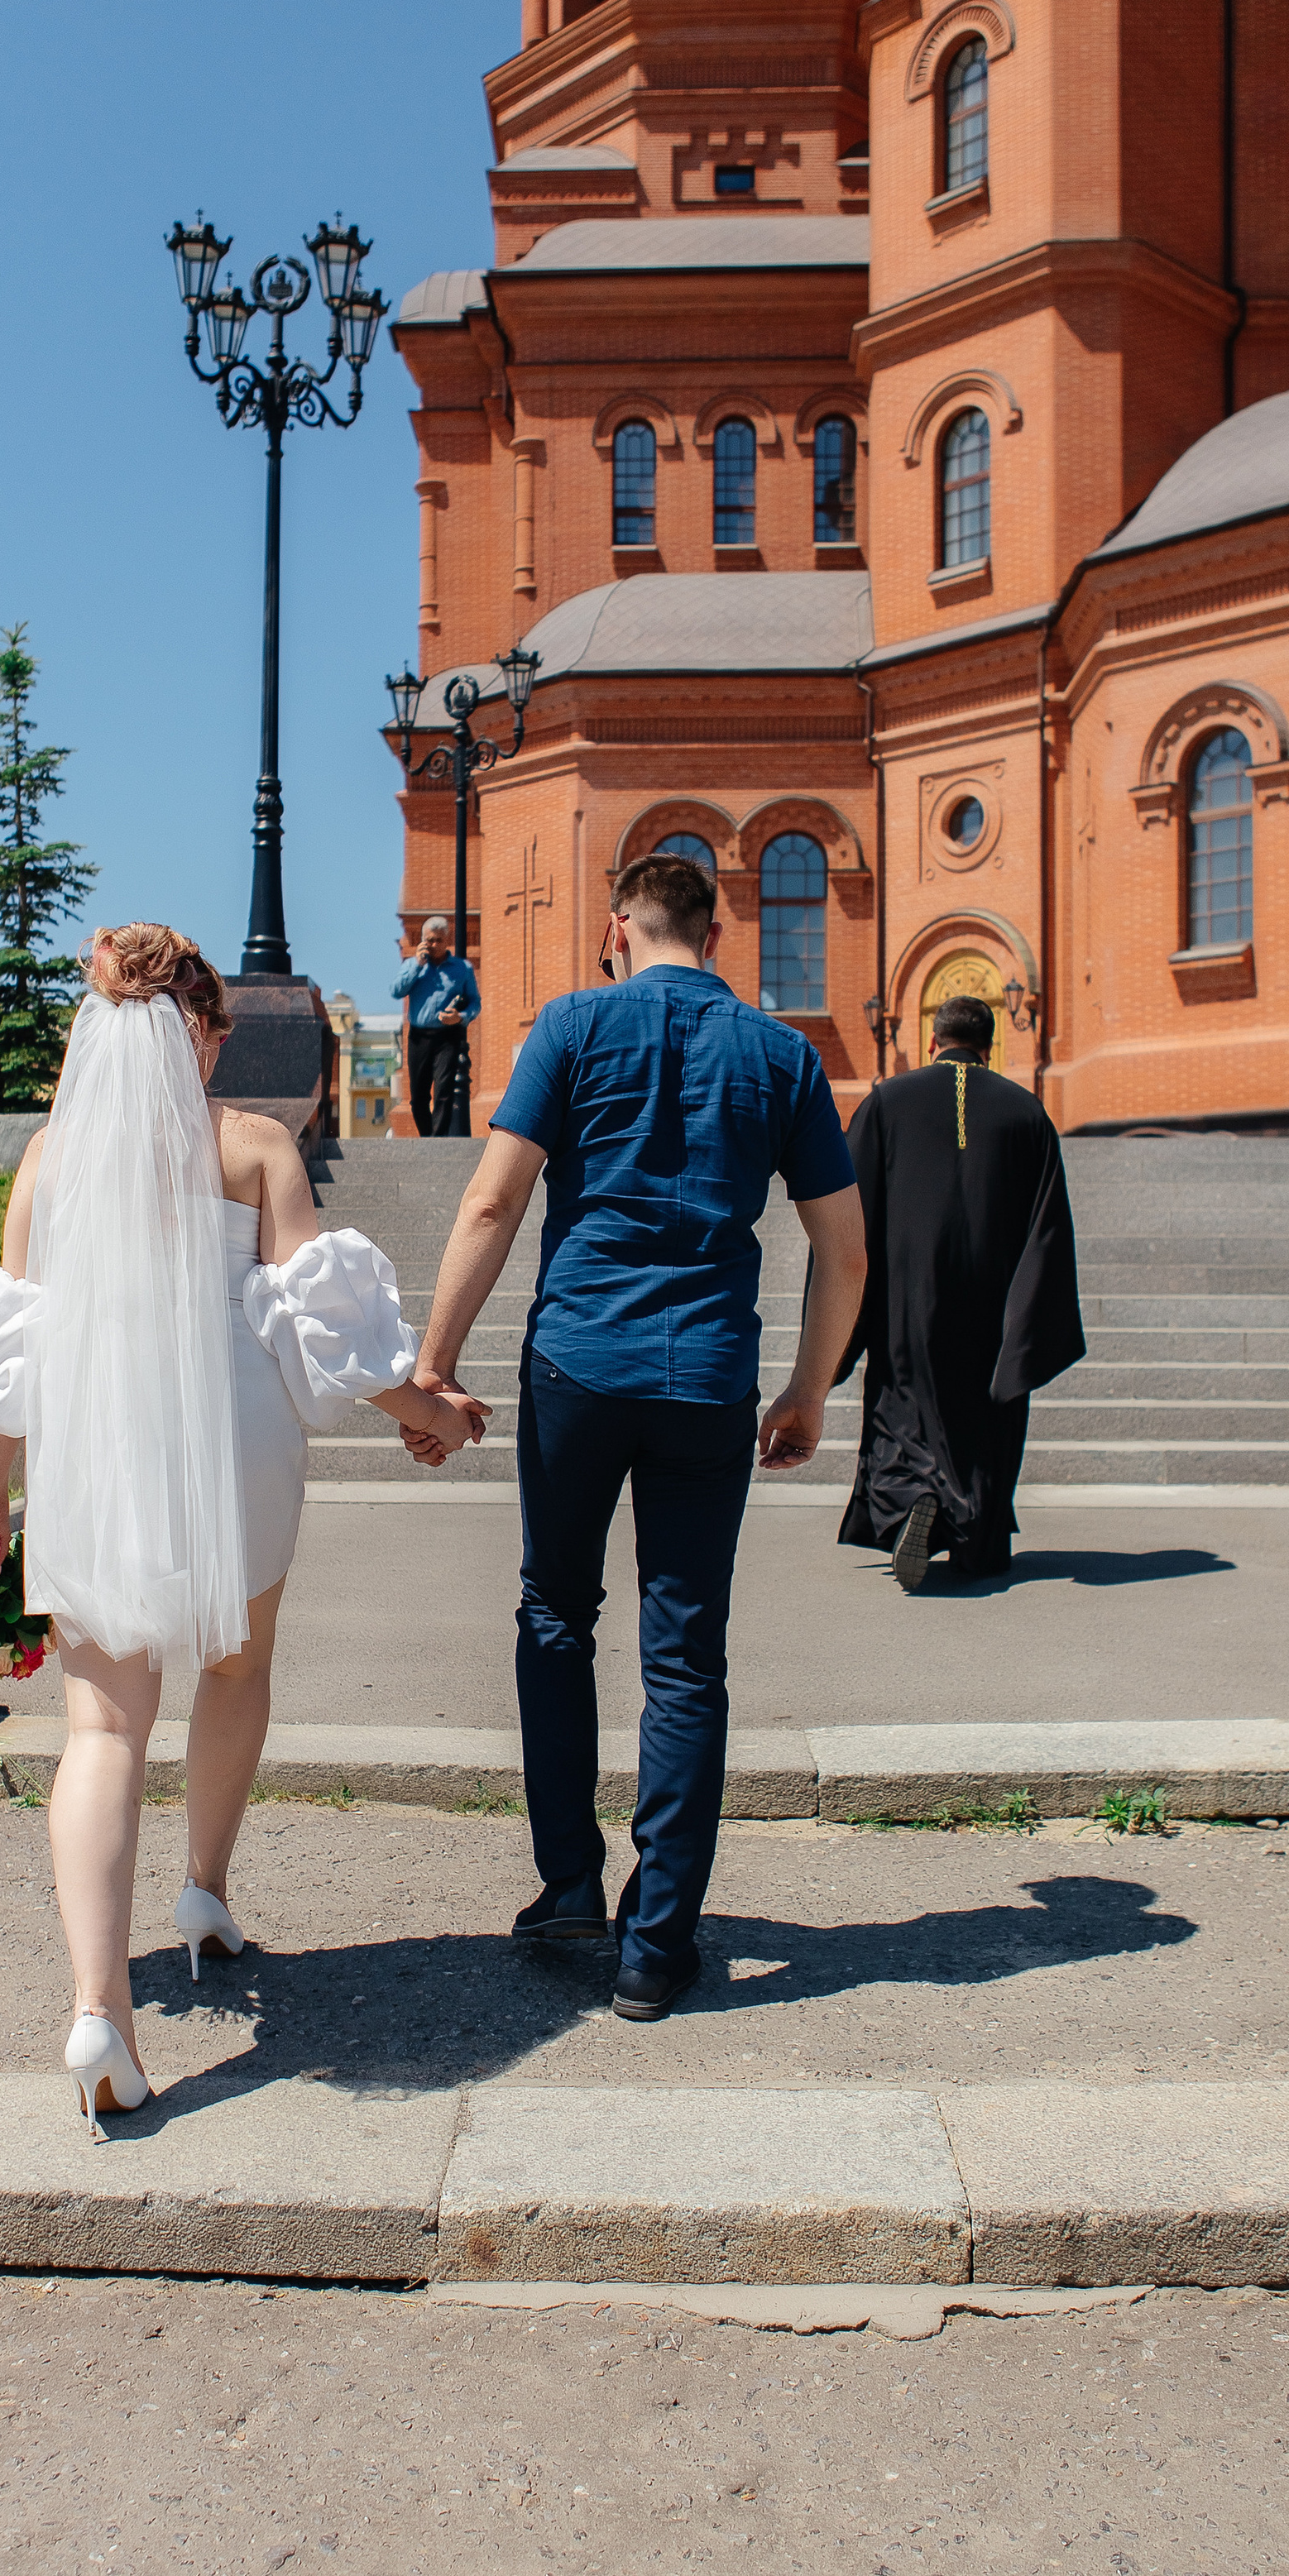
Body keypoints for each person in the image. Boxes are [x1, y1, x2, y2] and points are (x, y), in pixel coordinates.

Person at [0, 922, 480, 2135]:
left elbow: (7, 1365)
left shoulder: (47, 1165)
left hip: (93, 1445)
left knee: (101, 1726)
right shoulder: (251, 1146)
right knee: (237, 1663)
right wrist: (427, 1408)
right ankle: (205, 1892)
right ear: (205, 1034)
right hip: (233, 1438)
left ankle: (97, 2010)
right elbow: (313, 1325)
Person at [404, 850, 866, 2019]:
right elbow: (847, 1249)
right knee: (685, 1653)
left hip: (578, 1361)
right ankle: (657, 1945)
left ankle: (569, 1881)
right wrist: (807, 1392)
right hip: (707, 1377)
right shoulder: (783, 1055)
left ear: (619, 929)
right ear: (716, 936)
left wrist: (433, 1366)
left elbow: (493, 1202)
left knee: (556, 1613)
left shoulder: (570, 1027)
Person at [838, 990, 1085, 1592]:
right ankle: (977, 1541)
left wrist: (844, 1319)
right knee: (987, 1414)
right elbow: (1047, 1226)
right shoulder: (1026, 1112)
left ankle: (914, 1499)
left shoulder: (886, 1103)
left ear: (931, 1041)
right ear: (990, 1046)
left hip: (907, 1299)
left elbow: (852, 1212)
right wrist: (1032, 1317)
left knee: (903, 1406)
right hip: (995, 1301)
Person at [392, 914, 479, 1137]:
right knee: (418, 1097)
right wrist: (417, 966)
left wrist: (460, 1017)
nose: (433, 945)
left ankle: (438, 1139)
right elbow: (396, 991)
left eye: (438, 940)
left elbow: (475, 1002)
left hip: (447, 1036)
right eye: (429, 940)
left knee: (444, 1090)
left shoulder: (462, 969)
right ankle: (427, 1137)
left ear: (447, 940)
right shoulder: (412, 965)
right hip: (418, 1036)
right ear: (422, 940)